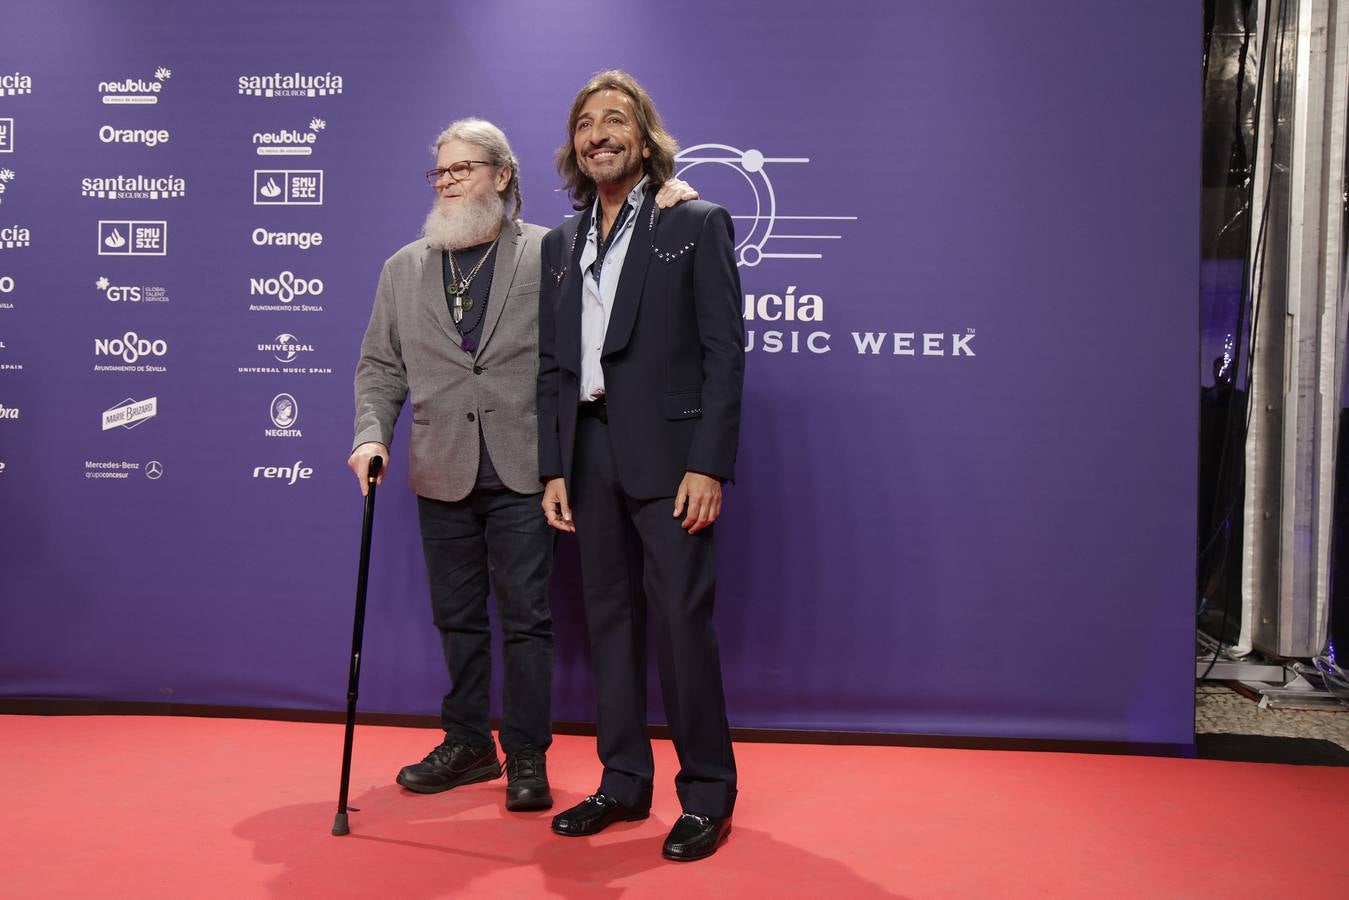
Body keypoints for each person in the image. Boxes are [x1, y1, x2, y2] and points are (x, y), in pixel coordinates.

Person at [350, 118, 695, 813]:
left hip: (527, 468)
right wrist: (369, 435)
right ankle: (468, 742)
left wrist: (665, 198)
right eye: (440, 173)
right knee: (456, 618)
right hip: (439, 465)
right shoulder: (402, 267)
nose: (448, 184)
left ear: (502, 177)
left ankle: (527, 756)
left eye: (463, 170)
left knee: (526, 619)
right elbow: (380, 366)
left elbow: (623, 268)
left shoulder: (553, 252)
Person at [536, 71, 745, 861]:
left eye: (614, 119)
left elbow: (725, 355)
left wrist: (709, 465)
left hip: (670, 458)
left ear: (645, 136)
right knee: (608, 624)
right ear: (573, 145)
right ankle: (621, 780)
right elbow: (555, 363)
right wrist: (554, 465)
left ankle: (707, 794)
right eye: (584, 123)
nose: (597, 133)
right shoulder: (560, 242)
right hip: (586, 453)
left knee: (682, 625)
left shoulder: (693, 221)